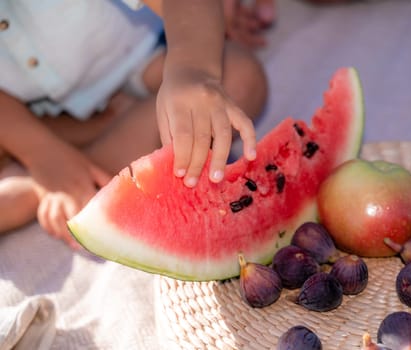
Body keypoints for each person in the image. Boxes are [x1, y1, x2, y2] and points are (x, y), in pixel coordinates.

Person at [0, 0, 273, 247]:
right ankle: (65, 171)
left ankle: (62, 181)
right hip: (42, 121)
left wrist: (194, 70)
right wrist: (39, 151)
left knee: (239, 78)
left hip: (145, 63)